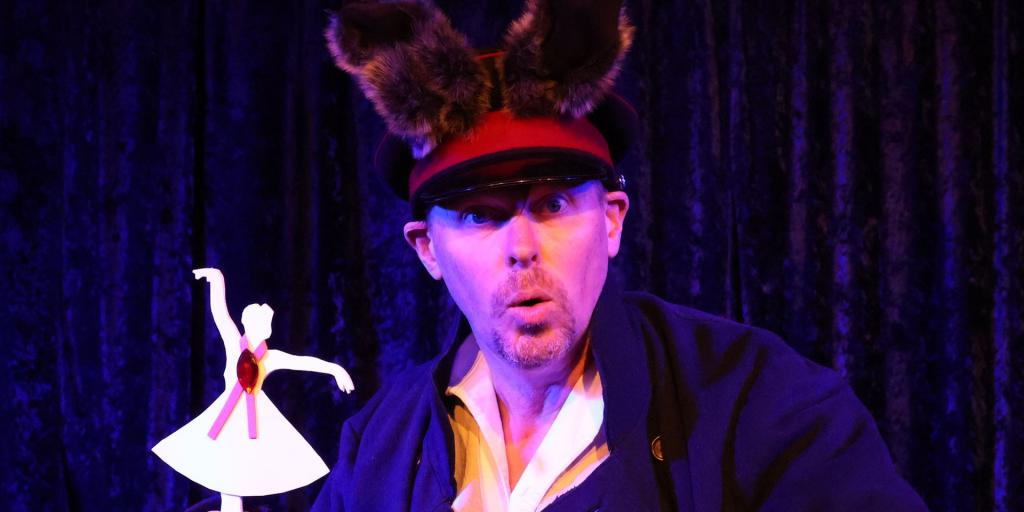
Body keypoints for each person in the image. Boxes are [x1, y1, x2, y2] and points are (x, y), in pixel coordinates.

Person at [313, 1, 927, 510]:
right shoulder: (378, 449)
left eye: (553, 205)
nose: (522, 249)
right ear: (427, 249)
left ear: (611, 221)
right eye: (481, 215)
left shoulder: (758, 402)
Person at [152, 268, 354, 512]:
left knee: (243, 468)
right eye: (263, 323)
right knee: (226, 468)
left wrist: (334, 369)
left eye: (268, 323)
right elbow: (221, 314)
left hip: (253, 421)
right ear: (249, 324)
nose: (267, 328)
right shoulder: (234, 345)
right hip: (228, 419)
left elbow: (302, 362)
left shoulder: (270, 357)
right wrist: (217, 280)